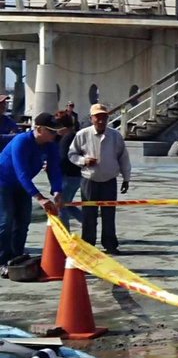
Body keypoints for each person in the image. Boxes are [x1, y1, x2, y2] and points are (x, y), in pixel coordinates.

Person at [0, 112, 64, 276]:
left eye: (56, 131)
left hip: (22, 185)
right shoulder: (21, 141)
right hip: (4, 182)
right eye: (51, 131)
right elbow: (20, 172)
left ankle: (16, 257)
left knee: (23, 221)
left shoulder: (50, 145)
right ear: (39, 129)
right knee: (6, 221)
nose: (54, 134)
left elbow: (55, 168)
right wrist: (39, 198)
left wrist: (57, 190)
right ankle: (2, 260)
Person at [68, 103, 132, 254]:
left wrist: (126, 178)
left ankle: (110, 244)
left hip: (109, 180)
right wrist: (83, 161)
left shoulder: (115, 136)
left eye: (104, 117)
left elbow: (123, 158)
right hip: (89, 180)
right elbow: (72, 154)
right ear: (91, 119)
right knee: (88, 215)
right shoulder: (82, 134)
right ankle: (88, 246)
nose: (101, 120)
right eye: (98, 117)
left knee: (109, 215)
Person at [56, 111, 83, 230]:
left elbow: (63, 158)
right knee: (67, 203)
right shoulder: (73, 136)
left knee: (60, 205)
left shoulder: (66, 138)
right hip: (76, 175)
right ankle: (87, 222)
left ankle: (64, 233)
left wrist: (53, 168)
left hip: (68, 176)